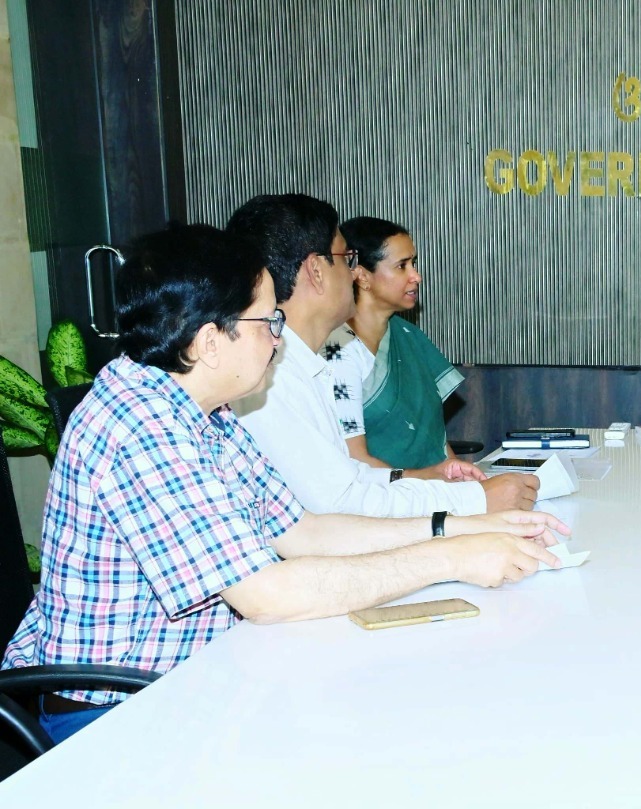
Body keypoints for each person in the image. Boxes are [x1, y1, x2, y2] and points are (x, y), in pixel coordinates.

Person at [1, 225, 568, 742]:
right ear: (208, 341)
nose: (279, 339)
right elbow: (267, 595)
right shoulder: (141, 427)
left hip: (205, 680)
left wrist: (463, 527)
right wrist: (453, 558)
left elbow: (304, 531)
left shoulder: (207, 410)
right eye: (268, 322)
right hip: (117, 717)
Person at [227, 194, 539, 517]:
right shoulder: (267, 379)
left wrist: (429, 477)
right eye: (347, 260)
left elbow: (351, 476)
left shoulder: (306, 364)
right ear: (316, 271)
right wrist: (472, 501)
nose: (353, 274)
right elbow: (341, 505)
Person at [322, 216, 461, 470]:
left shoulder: (408, 336)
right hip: (383, 490)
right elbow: (356, 460)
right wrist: (430, 481)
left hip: (434, 486)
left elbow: (434, 438)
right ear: (362, 276)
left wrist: (461, 478)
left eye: (413, 264)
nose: (416, 276)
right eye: (402, 266)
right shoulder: (337, 350)